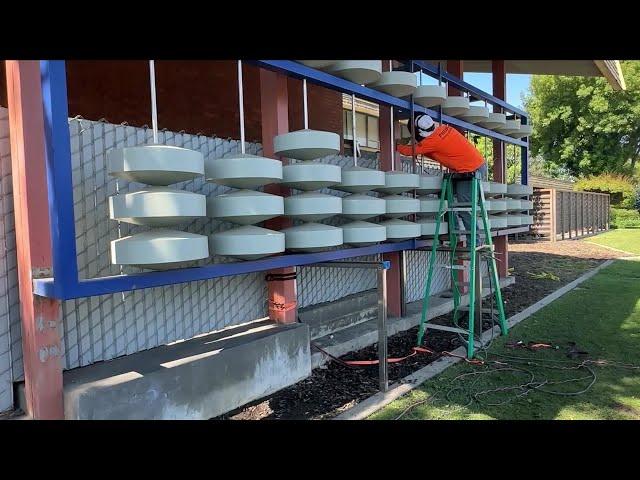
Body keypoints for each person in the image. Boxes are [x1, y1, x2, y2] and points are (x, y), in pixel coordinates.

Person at [397, 113, 488, 235]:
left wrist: (395, 145)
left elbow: (409, 151)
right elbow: (432, 150)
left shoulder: (432, 141)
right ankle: (453, 233)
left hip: (471, 171)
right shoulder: (445, 128)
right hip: (473, 167)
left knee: (464, 207)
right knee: (446, 197)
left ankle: (474, 242)